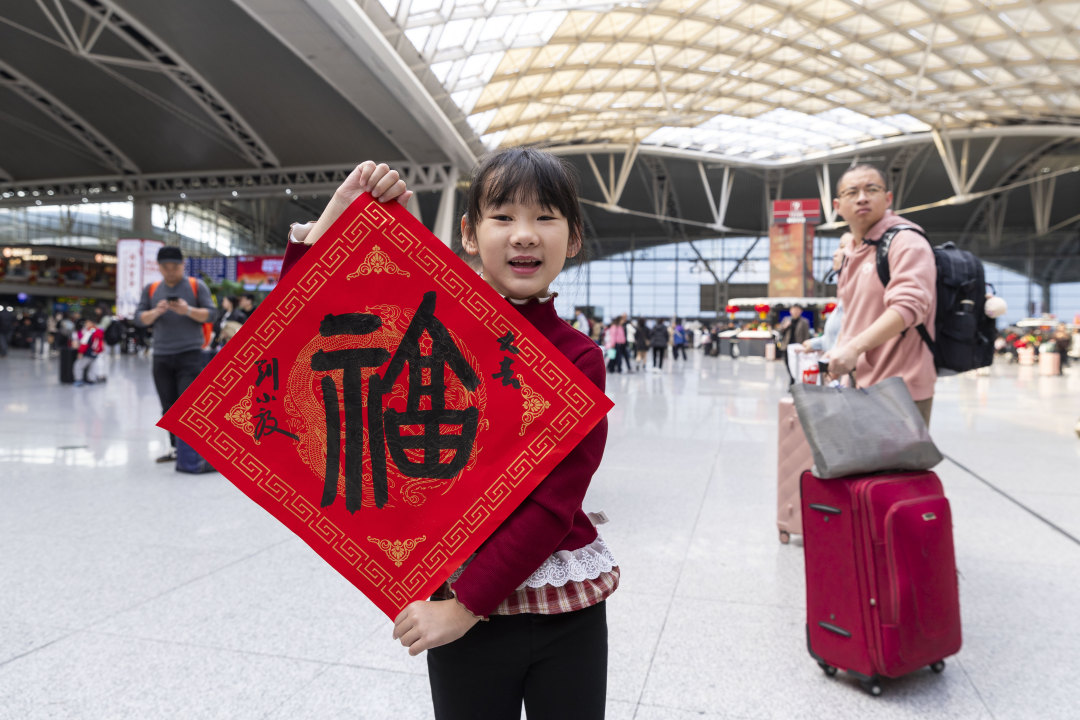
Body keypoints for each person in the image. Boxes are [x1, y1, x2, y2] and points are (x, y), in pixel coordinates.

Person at [283, 153, 616, 720]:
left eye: (546, 217)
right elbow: (301, 328)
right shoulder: (428, 326)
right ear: (468, 232)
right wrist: (336, 218)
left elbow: (553, 503)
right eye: (502, 217)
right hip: (454, 604)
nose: (524, 235)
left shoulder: (579, 358)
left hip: (559, 613)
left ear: (575, 237)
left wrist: (464, 608)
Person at [825, 164, 937, 427]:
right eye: (852, 192)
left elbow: (909, 306)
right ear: (838, 206)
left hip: (900, 389)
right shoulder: (850, 252)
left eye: (871, 189)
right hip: (857, 383)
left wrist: (854, 348)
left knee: (896, 456)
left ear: (888, 199)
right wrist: (838, 354)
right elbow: (851, 316)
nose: (862, 198)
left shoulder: (905, 241)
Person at [135, 246, 215, 462]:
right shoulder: (151, 289)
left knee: (187, 404)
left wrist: (187, 310)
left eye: (175, 267)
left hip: (190, 353)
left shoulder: (196, 286)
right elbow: (138, 318)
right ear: (159, 267)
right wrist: (156, 312)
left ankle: (193, 450)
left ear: (183, 265)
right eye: (165, 267)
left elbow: (212, 314)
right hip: (161, 354)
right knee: (168, 406)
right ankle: (175, 449)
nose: (170, 271)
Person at [73, 317, 105, 385]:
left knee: (78, 365)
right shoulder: (98, 330)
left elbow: (84, 343)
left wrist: (80, 352)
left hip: (88, 352)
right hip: (95, 352)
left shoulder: (90, 331)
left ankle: (79, 380)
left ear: (91, 323)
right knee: (92, 367)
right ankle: (91, 380)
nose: (85, 324)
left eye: (87, 323)